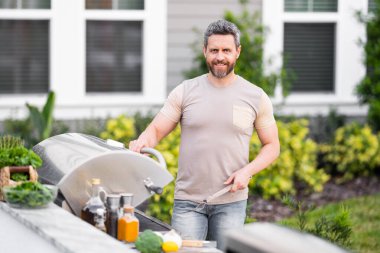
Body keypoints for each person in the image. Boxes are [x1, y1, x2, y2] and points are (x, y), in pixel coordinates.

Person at [129, 19, 280, 248]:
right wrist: (142, 143)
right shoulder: (185, 91)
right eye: (214, 50)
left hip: (231, 202)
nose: (220, 57)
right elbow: (157, 129)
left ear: (238, 52)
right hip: (188, 202)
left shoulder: (255, 96)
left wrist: (247, 172)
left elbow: (272, 146)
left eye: (226, 50)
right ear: (205, 52)